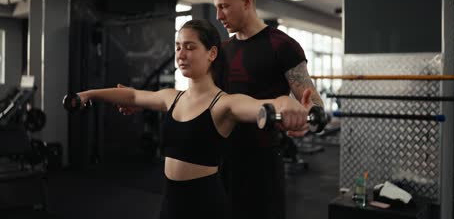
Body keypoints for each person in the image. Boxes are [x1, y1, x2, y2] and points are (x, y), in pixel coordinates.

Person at [73, 19, 312, 219]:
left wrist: (286, 104)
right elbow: (133, 94)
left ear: (212, 53)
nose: (181, 54)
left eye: (189, 47)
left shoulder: (224, 103)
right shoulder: (172, 98)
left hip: (205, 205)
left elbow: (261, 105)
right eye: (177, 47)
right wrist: (87, 94)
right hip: (170, 203)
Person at [206, 0, 324, 219]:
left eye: (224, 6)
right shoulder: (223, 50)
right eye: (216, 7)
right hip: (221, 161)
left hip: (261, 166)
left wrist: (308, 119)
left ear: (246, 1)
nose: (218, 16)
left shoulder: (282, 46)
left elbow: (313, 103)